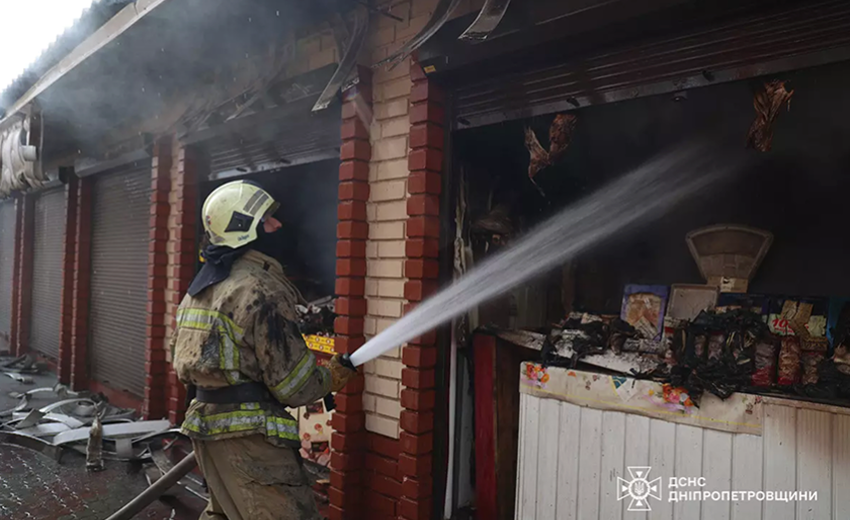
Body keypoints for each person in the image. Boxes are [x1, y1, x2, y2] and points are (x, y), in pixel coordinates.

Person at [170, 180, 356, 520]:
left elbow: (186, 362)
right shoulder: (261, 288)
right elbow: (295, 386)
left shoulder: (202, 286)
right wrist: (332, 375)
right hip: (250, 439)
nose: (278, 225)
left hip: (208, 429)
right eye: (268, 219)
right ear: (246, 229)